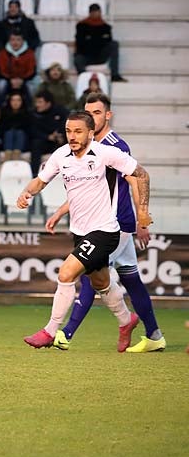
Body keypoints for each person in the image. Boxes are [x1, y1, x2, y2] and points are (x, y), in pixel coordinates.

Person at [17, 111, 150, 352]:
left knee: (66, 274)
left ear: (90, 132)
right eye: (69, 131)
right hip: (80, 232)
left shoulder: (105, 153)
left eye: (78, 131)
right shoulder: (61, 155)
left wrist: (142, 211)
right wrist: (27, 193)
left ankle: (49, 330)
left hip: (105, 231)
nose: (72, 136)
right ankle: (126, 320)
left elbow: (141, 175)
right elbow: (41, 180)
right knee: (101, 283)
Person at [47, 94, 166, 353]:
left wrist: (141, 218)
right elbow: (87, 188)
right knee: (131, 280)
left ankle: (65, 334)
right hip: (112, 223)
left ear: (107, 115)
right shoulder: (85, 146)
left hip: (116, 224)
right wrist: (60, 211)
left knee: (90, 275)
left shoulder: (114, 145)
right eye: (88, 112)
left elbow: (134, 179)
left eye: (97, 112)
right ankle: (154, 335)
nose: (92, 117)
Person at [74, 4, 125, 81]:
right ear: (90, 13)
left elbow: (107, 41)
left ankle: (115, 75)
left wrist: (91, 39)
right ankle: (84, 80)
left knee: (114, 44)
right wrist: (97, 40)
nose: (96, 14)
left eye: (97, 12)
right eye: (94, 12)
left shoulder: (106, 27)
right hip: (86, 55)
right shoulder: (81, 25)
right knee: (77, 59)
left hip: (100, 55)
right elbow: (80, 43)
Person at [29, 91, 68, 176]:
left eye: (40, 102)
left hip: (60, 139)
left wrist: (59, 134)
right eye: (36, 102)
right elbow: (33, 131)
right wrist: (48, 137)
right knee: (35, 144)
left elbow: (67, 124)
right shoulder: (33, 114)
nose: (37, 105)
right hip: (44, 141)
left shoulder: (61, 111)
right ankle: (35, 175)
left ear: (48, 103)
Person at [0, 92, 31, 161]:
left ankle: (16, 155)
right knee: (9, 133)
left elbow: (29, 130)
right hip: (6, 139)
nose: (15, 102)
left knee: (19, 133)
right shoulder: (4, 112)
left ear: (22, 101)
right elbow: (0, 130)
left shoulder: (27, 113)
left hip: (23, 141)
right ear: (9, 101)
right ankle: (8, 155)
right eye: (13, 100)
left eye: (18, 100)